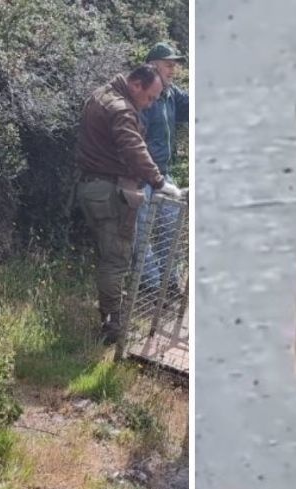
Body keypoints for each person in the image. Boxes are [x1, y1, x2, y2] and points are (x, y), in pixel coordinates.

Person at [75, 64, 183, 345]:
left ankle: (112, 319)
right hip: (110, 191)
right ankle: (113, 330)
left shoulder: (100, 95)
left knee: (108, 258)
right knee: (115, 261)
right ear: (136, 84)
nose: (150, 104)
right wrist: (160, 182)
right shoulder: (121, 109)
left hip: (93, 187)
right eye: (149, 97)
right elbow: (134, 148)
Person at [134, 42, 190, 298]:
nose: (173, 70)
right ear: (152, 65)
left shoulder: (170, 94)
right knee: (141, 234)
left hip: (163, 175)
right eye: (168, 64)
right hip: (139, 177)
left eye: (175, 65)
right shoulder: (141, 95)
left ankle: (170, 284)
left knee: (171, 228)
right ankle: (153, 289)